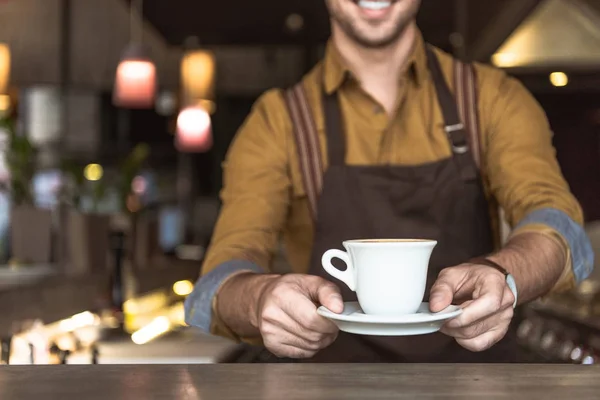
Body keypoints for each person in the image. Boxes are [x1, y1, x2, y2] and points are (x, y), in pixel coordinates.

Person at [185, 0, 594, 362]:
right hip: (332, 389)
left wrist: (503, 274)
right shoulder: (278, 122)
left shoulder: (492, 98)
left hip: (474, 385)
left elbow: (561, 227)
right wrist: (258, 298)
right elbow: (215, 285)